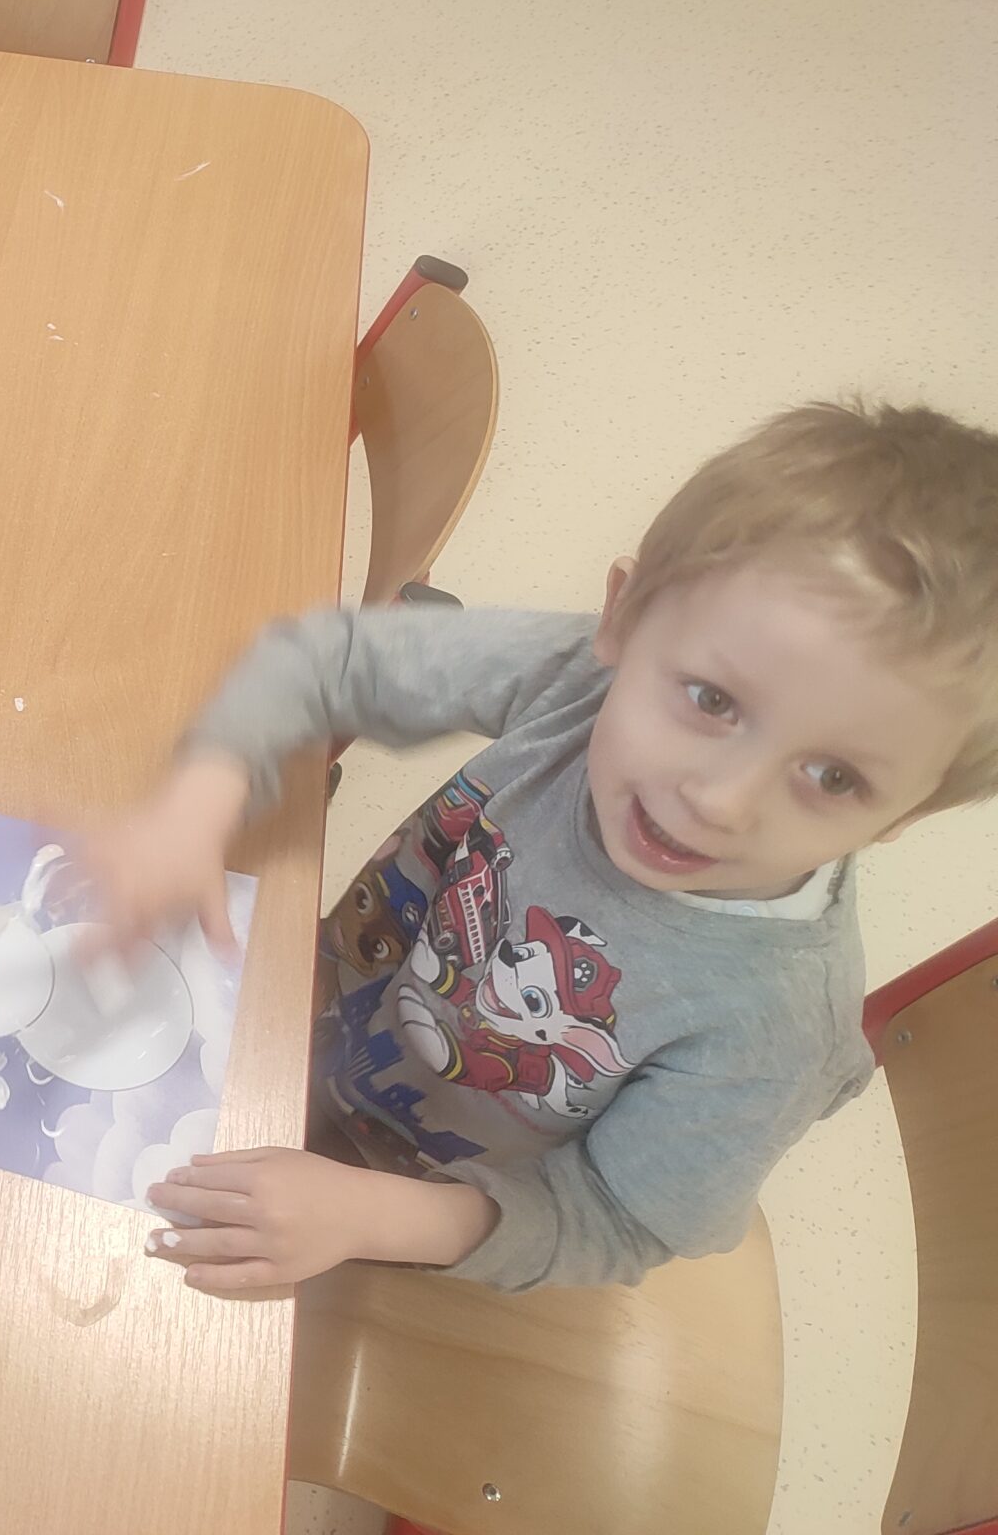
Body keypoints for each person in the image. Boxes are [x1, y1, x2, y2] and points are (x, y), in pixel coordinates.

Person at [82, 401, 998, 1291]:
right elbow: (329, 662)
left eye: (834, 777)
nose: (721, 802)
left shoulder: (778, 1029)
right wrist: (196, 804)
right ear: (622, 620)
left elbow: (617, 1221)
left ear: (903, 816)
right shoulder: (582, 677)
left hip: (404, 1209)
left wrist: (372, 1217)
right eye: (712, 700)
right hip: (282, 1021)